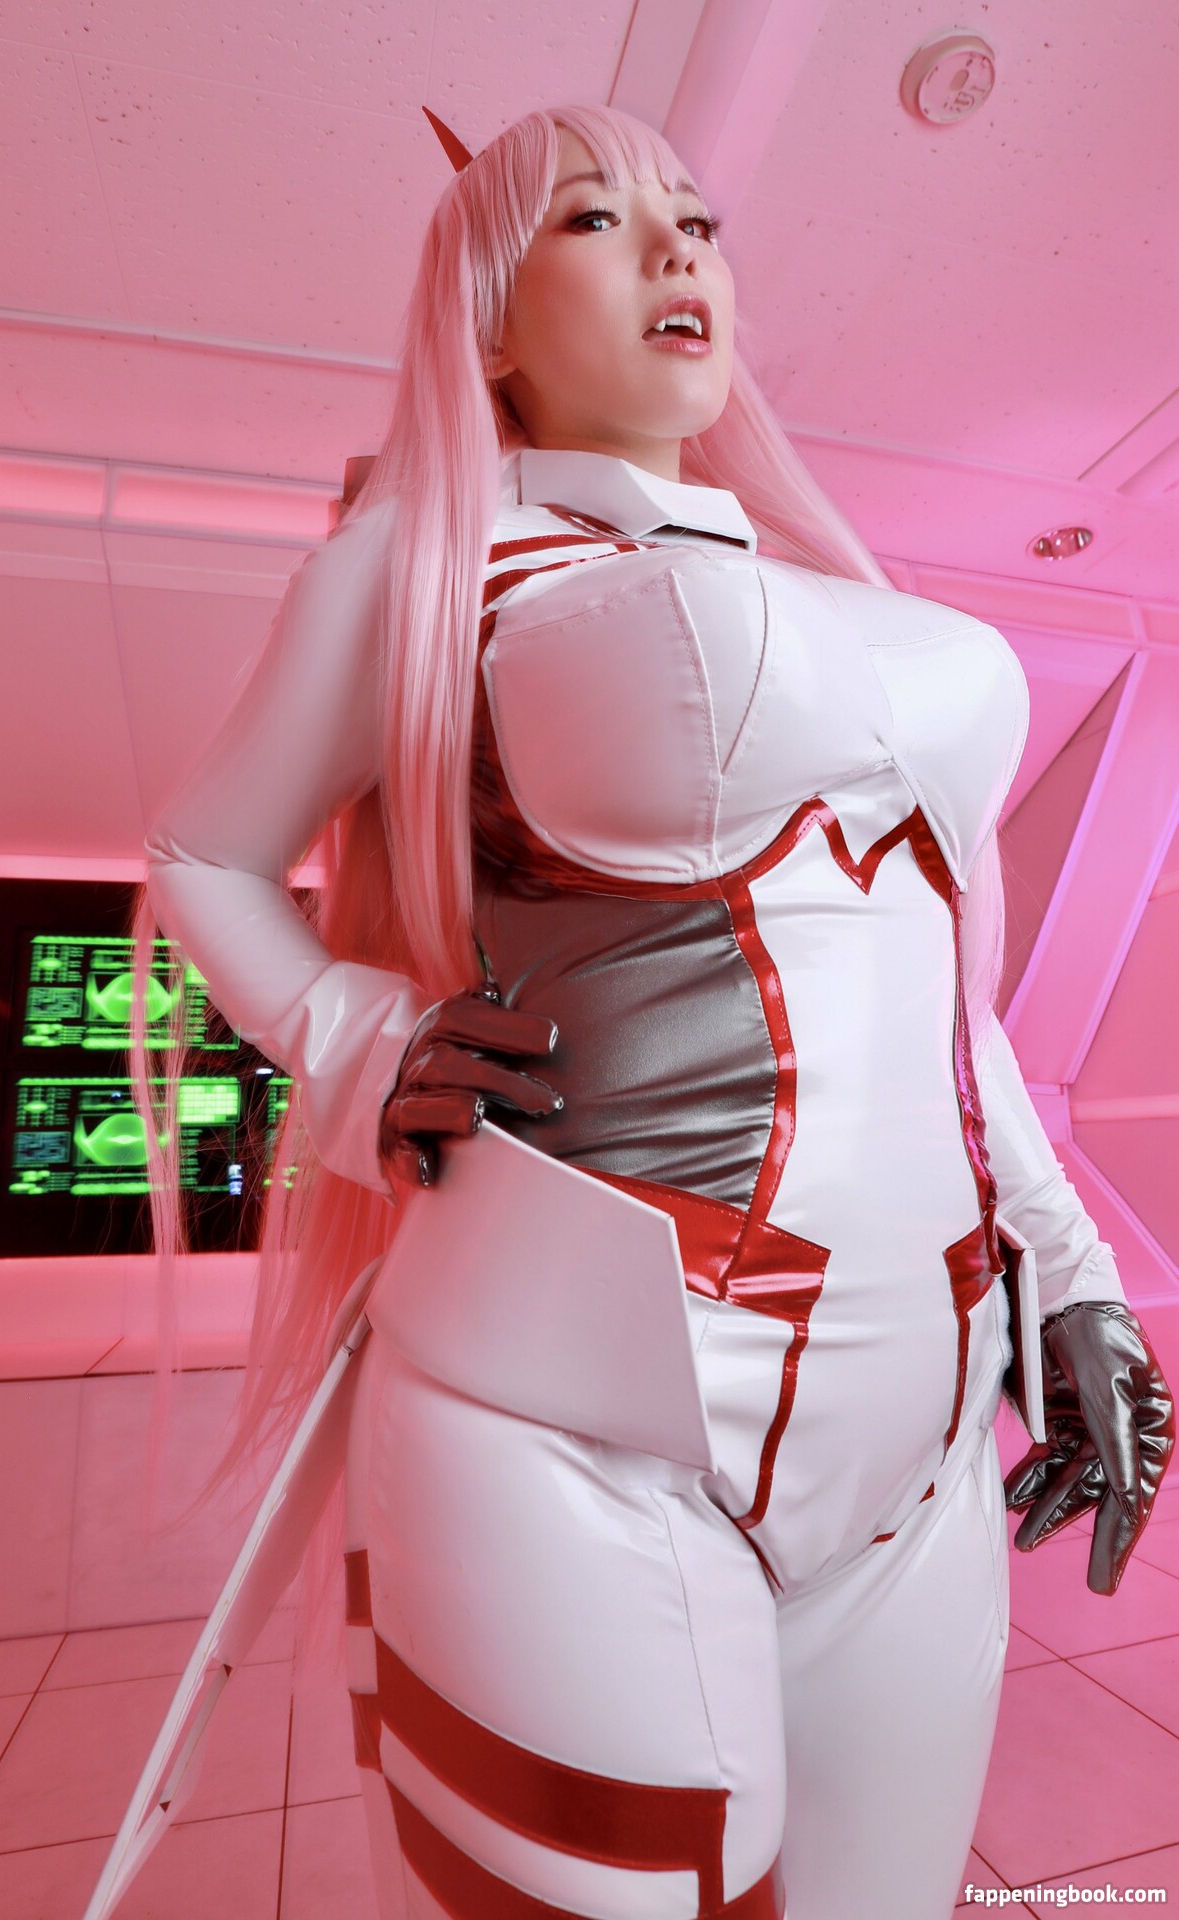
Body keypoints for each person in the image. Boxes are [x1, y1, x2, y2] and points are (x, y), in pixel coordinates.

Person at [136, 103, 1174, 1920]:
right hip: (565, 1413)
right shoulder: (426, 555)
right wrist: (364, 1042)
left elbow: (946, 1002)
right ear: (487, 316)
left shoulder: (828, 587)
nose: (681, 248)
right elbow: (203, 853)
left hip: (927, 1429)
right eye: (598, 220)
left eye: (694, 219)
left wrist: (1073, 1277)